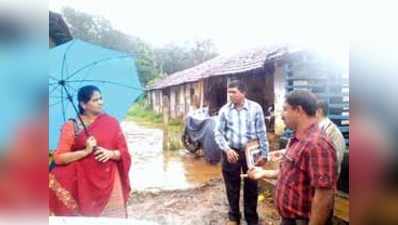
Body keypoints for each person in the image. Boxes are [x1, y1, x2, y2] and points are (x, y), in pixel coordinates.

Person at [248, 90, 337, 225]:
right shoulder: (297, 139)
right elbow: (291, 173)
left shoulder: (317, 144)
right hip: (289, 220)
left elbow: (324, 195)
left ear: (299, 110)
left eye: (285, 109)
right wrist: (263, 173)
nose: (282, 115)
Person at [49, 85, 131, 218]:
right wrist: (86, 151)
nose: (101, 102)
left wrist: (110, 153)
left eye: (101, 98)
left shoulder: (111, 122)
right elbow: (58, 157)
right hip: (83, 185)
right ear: (83, 104)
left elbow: (124, 152)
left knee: (114, 218)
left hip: (110, 180)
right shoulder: (72, 126)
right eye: (95, 100)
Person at [214, 80, 269, 225]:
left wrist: (265, 153)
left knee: (251, 186)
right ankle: (234, 217)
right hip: (231, 152)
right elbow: (218, 133)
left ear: (243, 93)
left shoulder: (255, 108)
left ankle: (251, 218)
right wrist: (227, 149)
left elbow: (262, 132)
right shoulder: (224, 110)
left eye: (234, 92)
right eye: (229, 92)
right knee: (232, 186)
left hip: (250, 152)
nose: (230, 95)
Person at [315, 99, 346, 176]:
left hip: (327, 177)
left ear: (319, 111)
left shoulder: (333, 132)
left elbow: (336, 159)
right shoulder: (317, 128)